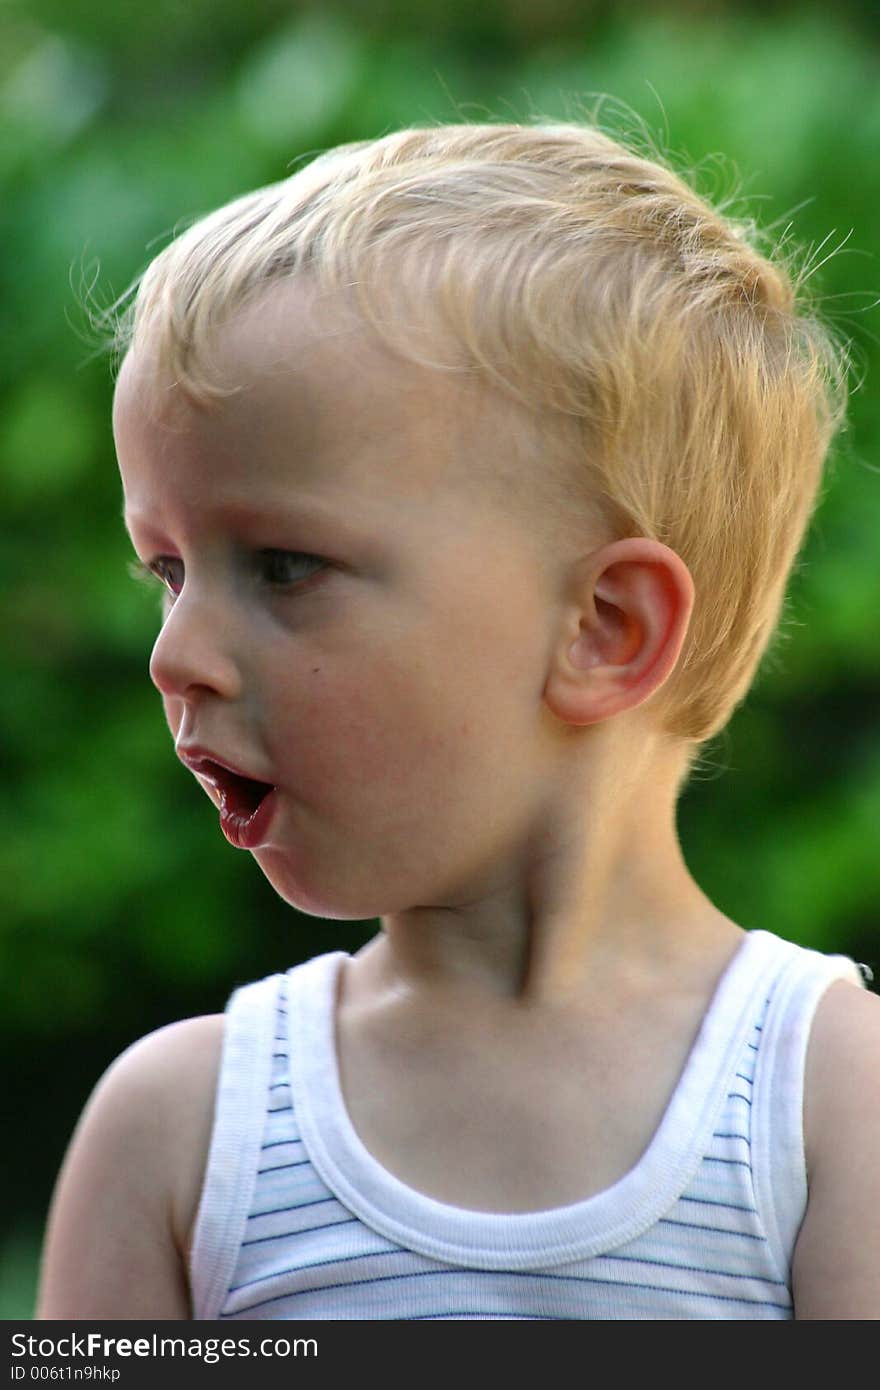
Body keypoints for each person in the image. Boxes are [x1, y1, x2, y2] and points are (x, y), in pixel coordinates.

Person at [37, 120, 880, 1321]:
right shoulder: (183, 1138)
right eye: (167, 570)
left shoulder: (832, 1108)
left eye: (282, 566)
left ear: (604, 629)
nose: (177, 655)